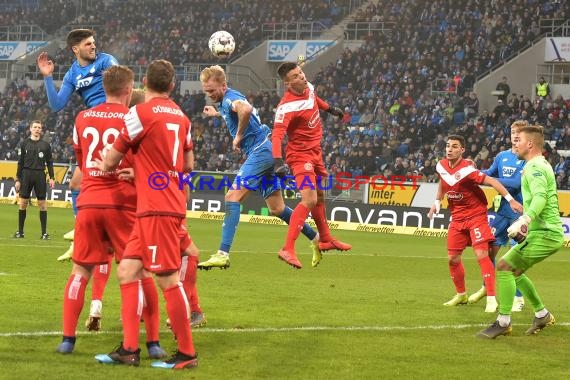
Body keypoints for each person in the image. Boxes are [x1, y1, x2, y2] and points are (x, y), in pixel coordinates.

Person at [56, 66, 167, 359]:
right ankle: (153, 343)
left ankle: (68, 339)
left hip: (90, 201)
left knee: (80, 270)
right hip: (125, 205)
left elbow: (83, 162)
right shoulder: (135, 117)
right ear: (129, 89)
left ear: (103, 87)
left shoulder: (82, 118)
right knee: (139, 273)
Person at [95, 59, 198, 369]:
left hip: (156, 209)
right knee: (127, 270)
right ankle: (128, 349)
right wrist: (141, 173)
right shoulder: (181, 117)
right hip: (159, 203)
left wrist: (107, 165)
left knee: (166, 278)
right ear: (171, 85)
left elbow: (112, 158)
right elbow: (187, 165)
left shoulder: (138, 113)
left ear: (144, 82)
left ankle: (187, 353)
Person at [197, 65, 323, 269]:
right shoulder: (225, 100)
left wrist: (237, 136)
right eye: (206, 91)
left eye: (212, 90)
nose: (209, 94)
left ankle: (222, 253)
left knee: (232, 197)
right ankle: (315, 238)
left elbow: (245, 110)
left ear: (224, 86)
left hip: (260, 151)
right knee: (277, 209)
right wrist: (217, 113)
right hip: (266, 149)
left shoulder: (230, 98)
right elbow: (238, 110)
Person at [38, 28, 118, 328]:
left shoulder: (108, 61)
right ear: (76, 49)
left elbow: (125, 85)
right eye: (88, 44)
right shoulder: (72, 73)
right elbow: (57, 105)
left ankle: (83, 233)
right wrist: (48, 76)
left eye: (94, 42)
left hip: (111, 125)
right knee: (75, 184)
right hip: (95, 132)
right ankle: (82, 232)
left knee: (83, 189)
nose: (94, 47)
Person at [478, 125, 564, 339]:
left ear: (530, 144)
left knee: (504, 266)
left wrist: (525, 219)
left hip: (546, 233)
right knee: (514, 271)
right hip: (541, 232)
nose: (514, 143)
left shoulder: (534, 167)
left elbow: (540, 198)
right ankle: (542, 314)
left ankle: (503, 321)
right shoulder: (535, 165)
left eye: (519, 140)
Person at [427, 135, 523, 313]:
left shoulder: (468, 170)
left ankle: (492, 298)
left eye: (454, 146)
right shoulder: (441, 165)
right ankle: (461, 294)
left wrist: (510, 200)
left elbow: (492, 181)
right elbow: (443, 181)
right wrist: (437, 202)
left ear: (462, 150)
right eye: (448, 146)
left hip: (476, 216)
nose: (449, 149)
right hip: (457, 217)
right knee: (452, 259)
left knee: (482, 255)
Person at [272, 62, 352, 269]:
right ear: (287, 83)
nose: (302, 77)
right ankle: (287, 248)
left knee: (320, 196)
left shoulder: (308, 87)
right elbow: (277, 135)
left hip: (315, 152)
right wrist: (278, 161)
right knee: (309, 199)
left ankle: (325, 239)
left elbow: (313, 99)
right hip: (301, 157)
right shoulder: (286, 107)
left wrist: (330, 109)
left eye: (301, 73)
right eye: (296, 76)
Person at [468, 120, 528, 312]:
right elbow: (487, 174)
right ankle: (488, 288)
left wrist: (488, 179)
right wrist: (473, 172)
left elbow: (515, 183)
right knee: (487, 251)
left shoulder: (528, 159)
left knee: (513, 258)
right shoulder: (502, 156)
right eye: (512, 132)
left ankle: (518, 298)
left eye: (519, 132)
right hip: (502, 212)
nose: (515, 135)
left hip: (519, 214)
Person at [14, 120, 55, 239]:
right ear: (30, 129)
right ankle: (20, 232)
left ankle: (44, 233)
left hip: (40, 175)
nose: (37, 129)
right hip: (26, 174)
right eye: (35, 127)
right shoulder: (24, 143)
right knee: (23, 203)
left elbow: (50, 163)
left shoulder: (46, 145)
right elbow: (20, 162)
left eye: (39, 127)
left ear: (41, 130)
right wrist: (17, 179)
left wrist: (52, 177)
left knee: (42, 203)